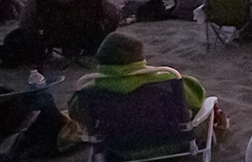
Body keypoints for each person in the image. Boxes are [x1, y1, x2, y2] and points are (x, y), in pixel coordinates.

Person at [68, 32, 207, 132]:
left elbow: (76, 114)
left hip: (118, 148)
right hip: (172, 142)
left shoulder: (89, 90)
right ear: (140, 58)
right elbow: (197, 102)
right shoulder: (169, 80)